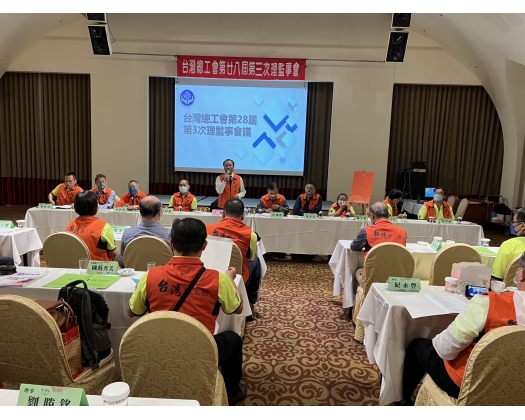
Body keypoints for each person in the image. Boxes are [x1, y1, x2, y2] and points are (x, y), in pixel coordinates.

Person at [127, 217, 247, 405]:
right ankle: (232, 392)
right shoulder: (218, 279)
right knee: (233, 339)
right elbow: (237, 308)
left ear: (171, 243)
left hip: (156, 347)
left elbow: (132, 311)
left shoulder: (150, 276)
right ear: (204, 246)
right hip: (200, 351)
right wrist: (230, 279)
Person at [398, 252, 525, 405]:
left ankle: (403, 401)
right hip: (519, 388)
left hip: (469, 384)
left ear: (521, 274)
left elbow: (444, 350)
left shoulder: (487, 304)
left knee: (418, 346)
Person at [206, 198, 261, 322]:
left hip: (211, 272)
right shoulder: (250, 234)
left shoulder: (207, 229)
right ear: (243, 216)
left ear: (223, 213)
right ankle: (250, 303)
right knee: (256, 261)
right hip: (236, 274)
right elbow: (250, 258)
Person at [65, 191, 117, 261]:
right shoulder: (104, 227)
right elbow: (113, 254)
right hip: (98, 266)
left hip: (75, 265)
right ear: (95, 207)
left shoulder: (70, 225)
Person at [491, 208, 525, 281]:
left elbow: (496, 278)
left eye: (514, 222)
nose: (512, 225)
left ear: (522, 225)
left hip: (512, 287)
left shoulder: (509, 245)